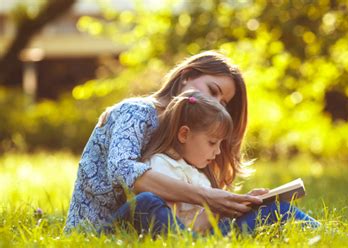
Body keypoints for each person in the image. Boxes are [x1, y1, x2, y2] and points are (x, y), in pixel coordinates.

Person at [64, 51, 264, 233]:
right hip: (104, 231)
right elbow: (122, 171)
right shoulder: (135, 111)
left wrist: (238, 205)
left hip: (171, 230)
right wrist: (206, 196)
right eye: (212, 91)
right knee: (147, 203)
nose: (214, 103)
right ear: (186, 76)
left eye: (223, 103)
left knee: (269, 210)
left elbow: (189, 214)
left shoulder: (194, 137)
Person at [110, 90, 319, 236]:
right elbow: (180, 229)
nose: (217, 151)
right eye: (212, 142)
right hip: (194, 239)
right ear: (184, 134)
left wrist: (242, 204)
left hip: (219, 235)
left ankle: (326, 234)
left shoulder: (198, 172)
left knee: (277, 208)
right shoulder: (161, 168)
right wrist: (219, 210)